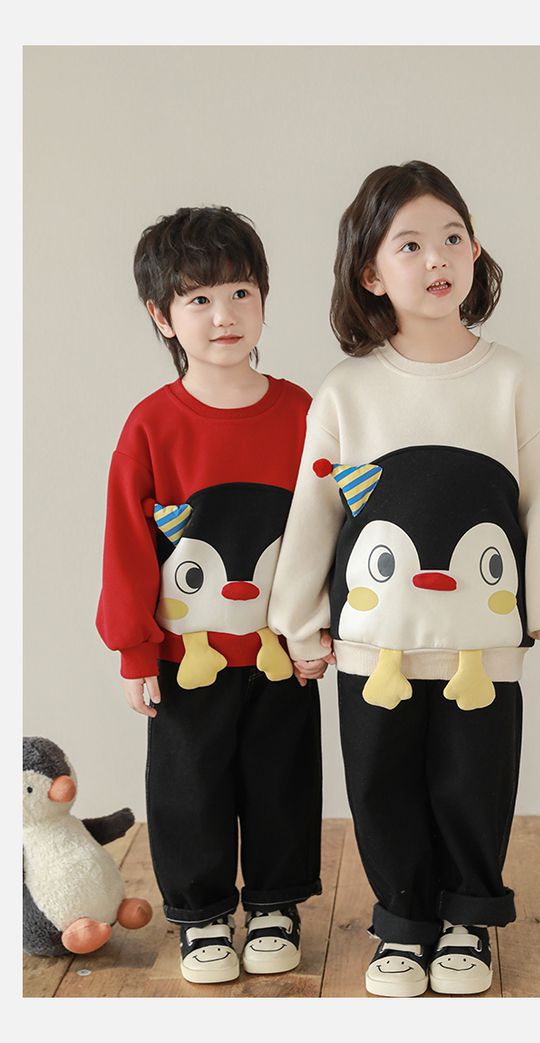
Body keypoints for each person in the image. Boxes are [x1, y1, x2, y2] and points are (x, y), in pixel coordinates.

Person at [269, 161, 540, 997]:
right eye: (410, 244)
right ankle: (402, 921)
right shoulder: (347, 391)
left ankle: (466, 918)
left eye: (453, 237)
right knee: (380, 785)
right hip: (371, 647)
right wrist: (300, 621)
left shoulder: (513, 381)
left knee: (473, 783)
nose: (437, 257)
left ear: (476, 251)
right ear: (371, 273)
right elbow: (315, 512)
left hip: (479, 648)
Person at [96, 206, 329, 984]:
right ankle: (199, 915)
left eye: (239, 292)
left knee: (281, 780)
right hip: (184, 658)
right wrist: (135, 650)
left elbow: (329, 527)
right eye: (198, 298)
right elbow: (128, 544)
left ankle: (274, 905)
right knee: (187, 786)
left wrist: (316, 628)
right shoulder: (151, 426)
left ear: (263, 297)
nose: (223, 314)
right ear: (161, 315)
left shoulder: (302, 413)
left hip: (277, 654)